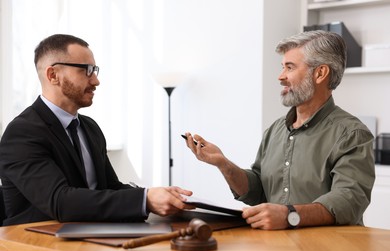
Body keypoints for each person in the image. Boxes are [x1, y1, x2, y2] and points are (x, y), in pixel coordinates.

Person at [183, 30, 375, 230]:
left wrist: (289, 215)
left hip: (328, 250)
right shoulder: (275, 130)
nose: (280, 77)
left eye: (290, 68)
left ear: (320, 73)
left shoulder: (352, 134)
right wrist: (223, 164)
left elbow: (349, 201)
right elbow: (258, 191)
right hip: (275, 247)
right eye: (282, 67)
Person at [0, 34, 194, 226]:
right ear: (53, 75)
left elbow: (110, 187)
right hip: (35, 246)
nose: (95, 81)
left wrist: (158, 197)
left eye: (95, 71)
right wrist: (144, 199)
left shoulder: (90, 127)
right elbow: (61, 202)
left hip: (88, 238)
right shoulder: (22, 133)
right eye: (87, 70)